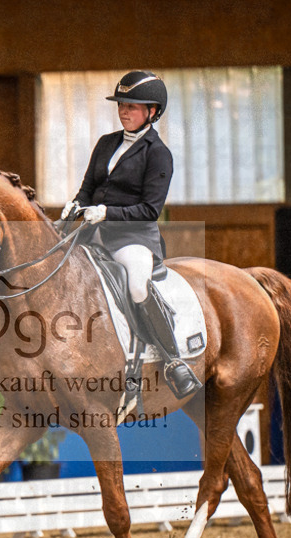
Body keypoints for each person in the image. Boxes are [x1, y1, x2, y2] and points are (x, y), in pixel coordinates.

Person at [62, 70, 201, 398]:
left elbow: (150, 209)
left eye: (133, 106)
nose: (124, 111)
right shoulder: (106, 143)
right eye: (122, 105)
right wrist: (75, 206)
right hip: (91, 232)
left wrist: (108, 212)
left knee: (138, 284)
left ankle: (172, 361)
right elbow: (87, 189)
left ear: (152, 111)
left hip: (132, 239)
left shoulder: (158, 153)